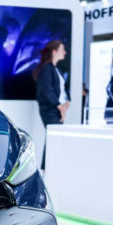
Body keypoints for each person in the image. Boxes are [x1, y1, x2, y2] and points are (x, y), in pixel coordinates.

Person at [33, 40, 69, 170]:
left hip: (57, 109)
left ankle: (50, 168)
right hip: (50, 109)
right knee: (53, 138)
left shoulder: (55, 69)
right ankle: (46, 169)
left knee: (54, 138)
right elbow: (47, 90)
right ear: (54, 51)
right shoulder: (46, 68)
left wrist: (66, 104)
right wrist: (60, 107)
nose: (65, 52)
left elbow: (63, 90)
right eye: (62, 49)